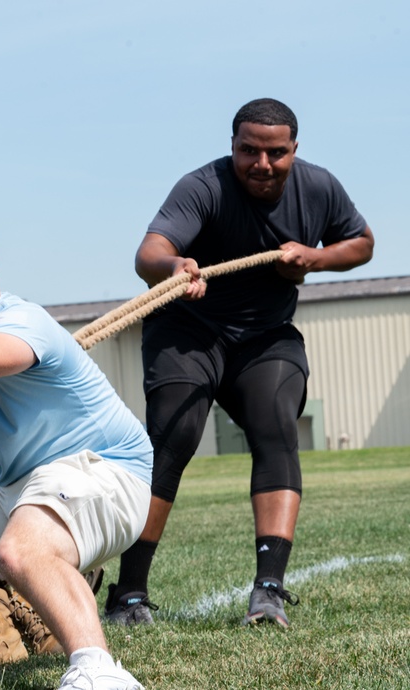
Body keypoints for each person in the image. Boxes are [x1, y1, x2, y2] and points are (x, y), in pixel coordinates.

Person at [106, 98, 375, 629]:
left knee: (277, 427)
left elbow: (362, 244)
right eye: (249, 150)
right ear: (232, 146)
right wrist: (174, 265)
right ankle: (128, 593)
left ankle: (268, 592)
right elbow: (148, 253)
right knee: (175, 435)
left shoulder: (318, 187)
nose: (262, 163)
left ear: (294, 150)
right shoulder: (202, 186)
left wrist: (315, 258)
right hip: (189, 330)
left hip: (265, 338)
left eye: (276, 152)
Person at [0, 214, 151, 689]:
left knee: (20, 550)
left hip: (108, 473)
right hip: (20, 489)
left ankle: (100, 671)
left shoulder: (23, 320)